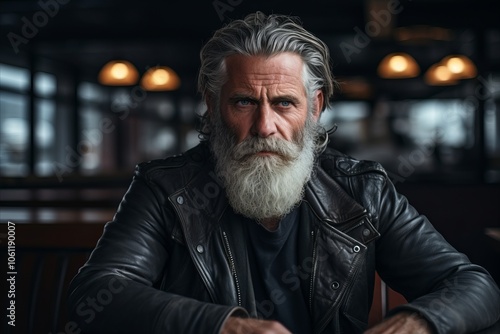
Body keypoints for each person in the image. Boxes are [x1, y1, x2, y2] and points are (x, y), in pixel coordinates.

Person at [67, 11, 500, 334]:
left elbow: (473, 285)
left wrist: (416, 321)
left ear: (315, 107)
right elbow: (97, 295)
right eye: (244, 102)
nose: (264, 126)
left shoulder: (362, 191)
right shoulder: (164, 188)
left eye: (284, 103)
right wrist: (225, 327)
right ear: (212, 105)